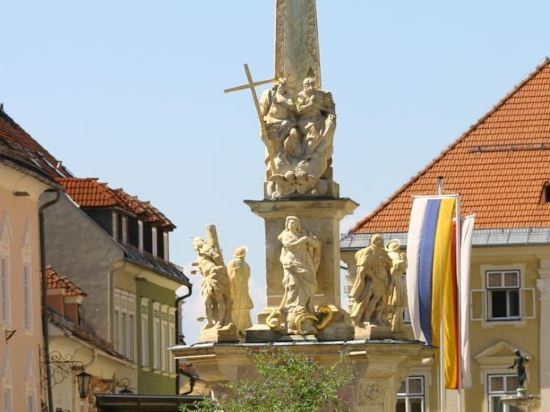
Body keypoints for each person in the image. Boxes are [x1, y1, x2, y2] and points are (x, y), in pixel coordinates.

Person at [278, 216, 321, 332]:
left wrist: (309, 240)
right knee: (292, 285)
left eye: (294, 223)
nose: (292, 225)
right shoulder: (285, 235)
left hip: (305, 261)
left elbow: (316, 244)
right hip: (292, 261)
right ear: (287, 225)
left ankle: (303, 307)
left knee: (308, 284)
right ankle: (292, 311)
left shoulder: (302, 233)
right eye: (290, 223)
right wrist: (303, 240)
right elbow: (289, 246)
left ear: (298, 225)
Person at [350, 234, 392, 326]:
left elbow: (391, 264)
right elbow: (364, 267)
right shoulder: (369, 250)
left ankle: (377, 317)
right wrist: (373, 278)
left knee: (382, 300)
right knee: (370, 298)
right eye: (378, 240)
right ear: (374, 240)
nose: (381, 242)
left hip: (383, 280)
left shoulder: (382, 252)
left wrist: (383, 259)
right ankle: (366, 317)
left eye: (381, 240)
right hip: (373, 279)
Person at [192, 237, 232, 329]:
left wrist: (218, 268)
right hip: (206, 278)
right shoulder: (199, 253)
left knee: (219, 299)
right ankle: (210, 322)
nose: (194, 246)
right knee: (207, 301)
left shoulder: (205, 247)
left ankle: (220, 321)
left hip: (214, 275)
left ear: (198, 243)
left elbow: (216, 257)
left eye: (194, 243)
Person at [227, 246, 254, 338]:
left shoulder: (232, 262)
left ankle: (237, 330)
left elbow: (229, 278)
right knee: (244, 311)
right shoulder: (247, 265)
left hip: (235, 291)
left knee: (235, 311)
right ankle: (243, 330)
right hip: (244, 292)